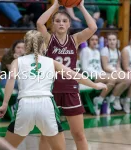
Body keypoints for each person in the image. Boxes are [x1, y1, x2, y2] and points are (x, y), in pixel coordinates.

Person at [0, 30, 107, 150]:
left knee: (5, 147)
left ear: (26, 45)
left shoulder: (17, 61)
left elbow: (11, 78)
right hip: (46, 106)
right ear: (43, 45)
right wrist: (95, 85)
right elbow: (74, 75)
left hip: (24, 105)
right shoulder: (51, 62)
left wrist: (5, 104)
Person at [37, 0, 97, 149]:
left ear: (69, 24)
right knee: (46, 134)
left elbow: (93, 27)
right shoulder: (49, 39)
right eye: (57, 21)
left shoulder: (75, 39)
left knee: (79, 134)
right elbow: (39, 23)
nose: (61, 23)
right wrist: (56, 5)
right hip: (51, 90)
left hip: (70, 90)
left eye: (64, 21)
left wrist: (81, 6)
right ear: (53, 24)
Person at [80, 34, 115, 115]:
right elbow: (85, 68)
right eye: (92, 40)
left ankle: (100, 100)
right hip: (89, 77)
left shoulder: (97, 51)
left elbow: (99, 68)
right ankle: (101, 100)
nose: (94, 41)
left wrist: (103, 73)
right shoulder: (85, 50)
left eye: (96, 40)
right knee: (112, 79)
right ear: (89, 41)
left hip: (98, 75)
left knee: (114, 79)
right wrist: (99, 75)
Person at [101, 33, 131, 112]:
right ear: (107, 41)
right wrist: (117, 72)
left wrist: (121, 72)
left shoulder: (118, 51)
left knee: (129, 78)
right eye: (110, 40)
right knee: (125, 79)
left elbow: (118, 66)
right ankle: (114, 98)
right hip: (107, 73)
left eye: (114, 40)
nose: (112, 42)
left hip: (115, 73)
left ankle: (113, 97)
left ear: (117, 41)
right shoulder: (105, 50)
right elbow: (105, 67)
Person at [121, 34, 131, 113]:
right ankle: (127, 100)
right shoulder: (126, 50)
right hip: (127, 73)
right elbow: (126, 67)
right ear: (130, 40)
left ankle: (127, 100)